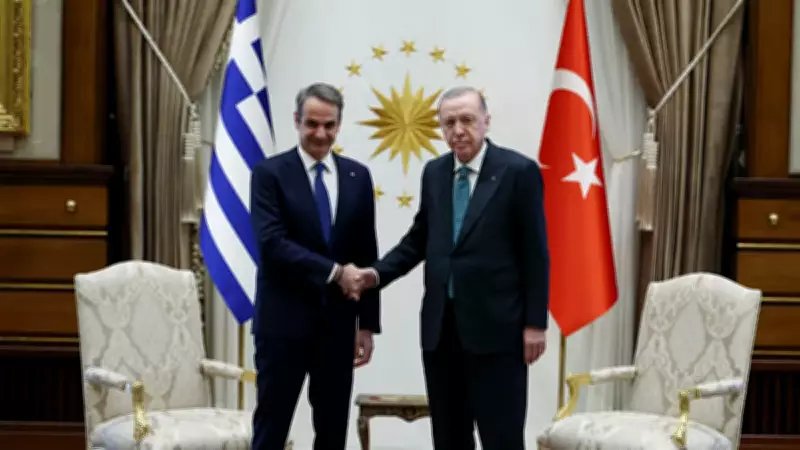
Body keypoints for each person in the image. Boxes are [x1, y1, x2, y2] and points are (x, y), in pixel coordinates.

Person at [350, 86, 549, 449]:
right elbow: (418, 240)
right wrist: (375, 275)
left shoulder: (518, 172)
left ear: (486, 121)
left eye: (467, 120)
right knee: (449, 439)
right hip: (441, 332)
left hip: (498, 332)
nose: (458, 130)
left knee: (501, 439)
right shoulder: (435, 172)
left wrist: (535, 323)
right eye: (449, 122)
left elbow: (535, 252)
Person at [249, 82, 380, 450]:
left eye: (329, 125)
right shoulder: (270, 174)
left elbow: (366, 251)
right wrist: (335, 273)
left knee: (333, 431)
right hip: (283, 325)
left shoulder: (357, 176)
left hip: (337, 326)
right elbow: (271, 244)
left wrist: (367, 324)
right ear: (296, 120)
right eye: (312, 124)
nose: (320, 134)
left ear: (339, 124)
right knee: (271, 428)